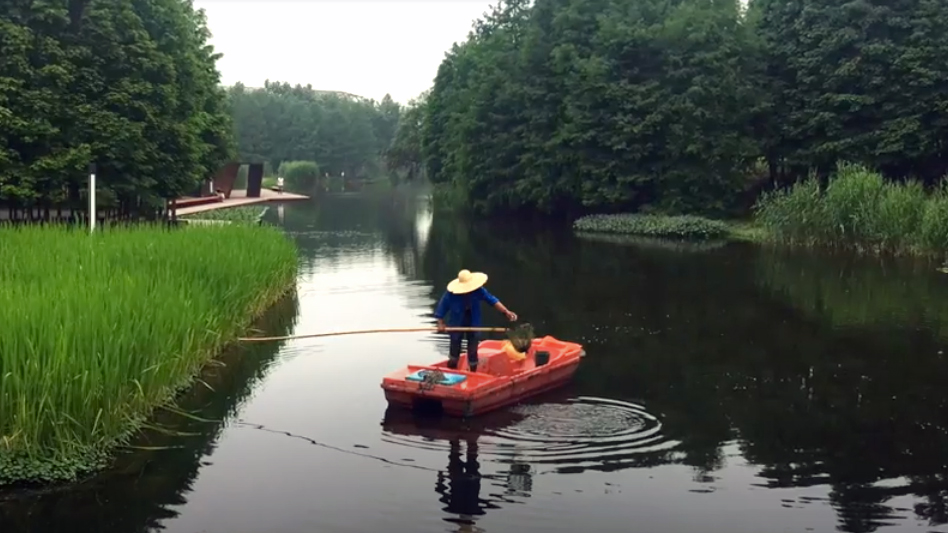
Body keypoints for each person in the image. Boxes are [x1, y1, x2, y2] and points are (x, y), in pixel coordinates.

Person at [433, 269, 517, 373]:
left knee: (473, 349)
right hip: (456, 323)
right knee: (454, 348)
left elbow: (492, 300)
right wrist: (440, 323)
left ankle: (472, 372)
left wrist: (506, 312)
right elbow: (442, 308)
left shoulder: (478, 291)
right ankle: (452, 369)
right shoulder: (451, 294)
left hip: (474, 322)